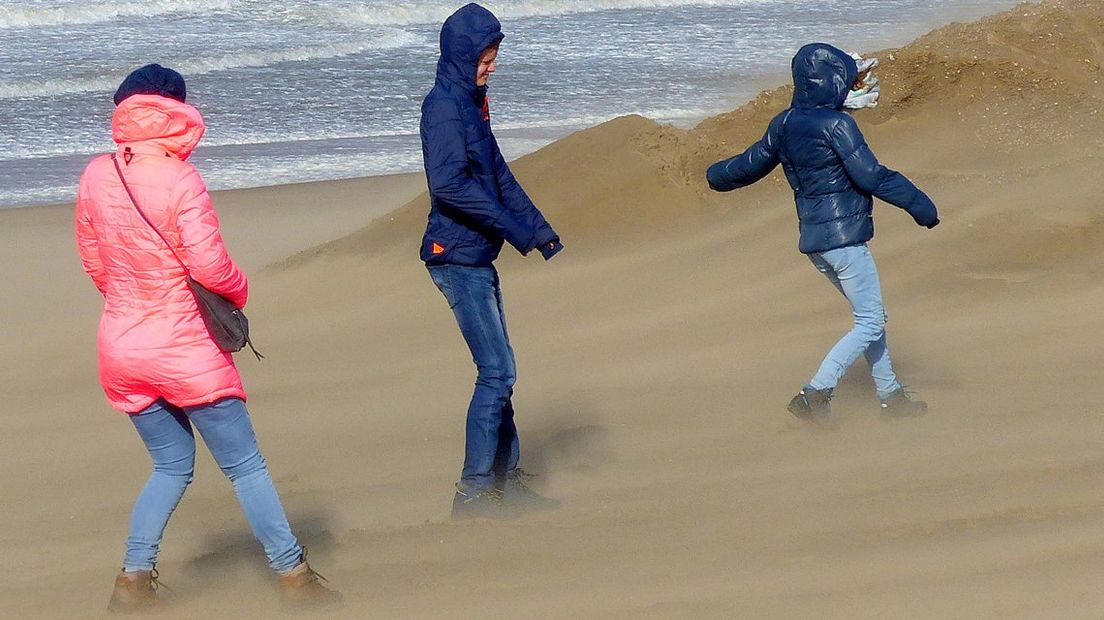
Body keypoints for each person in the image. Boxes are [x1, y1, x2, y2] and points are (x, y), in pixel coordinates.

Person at [75, 64, 340, 611]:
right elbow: (211, 268)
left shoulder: (96, 174)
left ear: (125, 111)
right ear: (176, 111)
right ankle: (292, 573)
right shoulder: (180, 178)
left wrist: (134, 301)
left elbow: (95, 263)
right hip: (186, 348)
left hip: (121, 347)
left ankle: (133, 577)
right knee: (246, 467)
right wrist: (239, 294)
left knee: (170, 465)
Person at [706, 43, 939, 424]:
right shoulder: (837, 125)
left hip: (816, 241)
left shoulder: (783, 123)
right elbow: (870, 175)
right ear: (831, 81)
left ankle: (891, 395)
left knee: (872, 316)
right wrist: (919, 205)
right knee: (870, 322)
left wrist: (715, 175)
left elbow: (749, 165)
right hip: (844, 238)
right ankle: (816, 392)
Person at [420, 3, 563, 519]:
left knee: (501, 372)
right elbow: (449, 185)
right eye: (486, 56)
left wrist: (538, 229)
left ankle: (504, 482)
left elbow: (498, 174)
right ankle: (474, 492)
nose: (492, 65)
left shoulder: (472, 102)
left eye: (494, 56)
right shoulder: (443, 107)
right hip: (454, 257)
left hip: (477, 253)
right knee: (497, 371)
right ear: (464, 54)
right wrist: (513, 229)